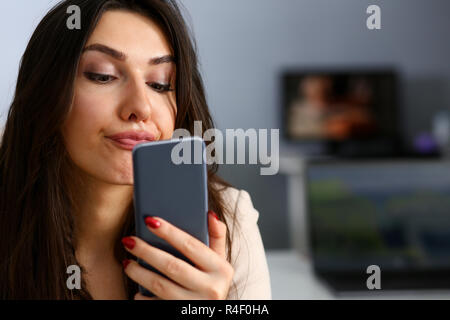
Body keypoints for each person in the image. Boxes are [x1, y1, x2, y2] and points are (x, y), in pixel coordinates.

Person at [0, 0, 271, 300]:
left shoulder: (230, 222)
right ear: (47, 93)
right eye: (103, 76)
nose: (140, 107)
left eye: (160, 84)